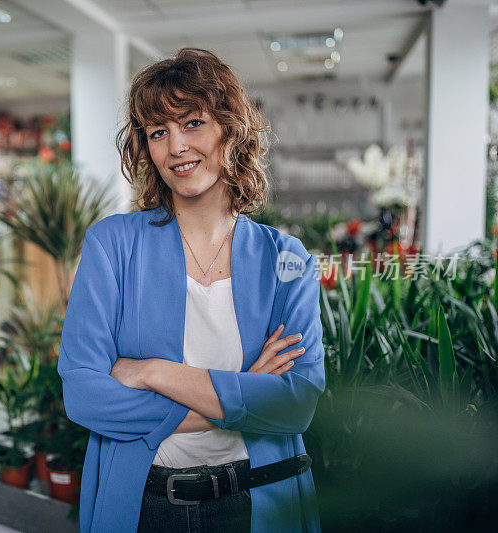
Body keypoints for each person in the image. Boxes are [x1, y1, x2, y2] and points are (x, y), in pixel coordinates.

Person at [57, 48, 325, 532]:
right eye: (158, 132)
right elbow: (84, 395)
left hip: (259, 496)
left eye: (193, 123)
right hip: (144, 503)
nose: (176, 146)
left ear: (231, 129)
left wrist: (154, 372)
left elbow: (295, 404)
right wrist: (244, 396)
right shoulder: (112, 246)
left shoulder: (286, 260)